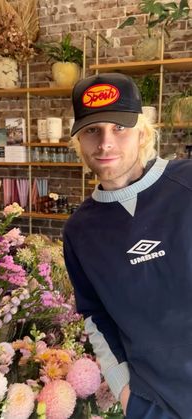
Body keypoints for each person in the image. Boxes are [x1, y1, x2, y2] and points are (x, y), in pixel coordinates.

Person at [63, 72, 192, 419]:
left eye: (119, 127)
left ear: (142, 131)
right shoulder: (79, 232)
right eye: (92, 130)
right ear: (79, 141)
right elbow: (95, 316)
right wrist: (125, 392)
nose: (105, 143)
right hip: (155, 404)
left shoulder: (187, 184)